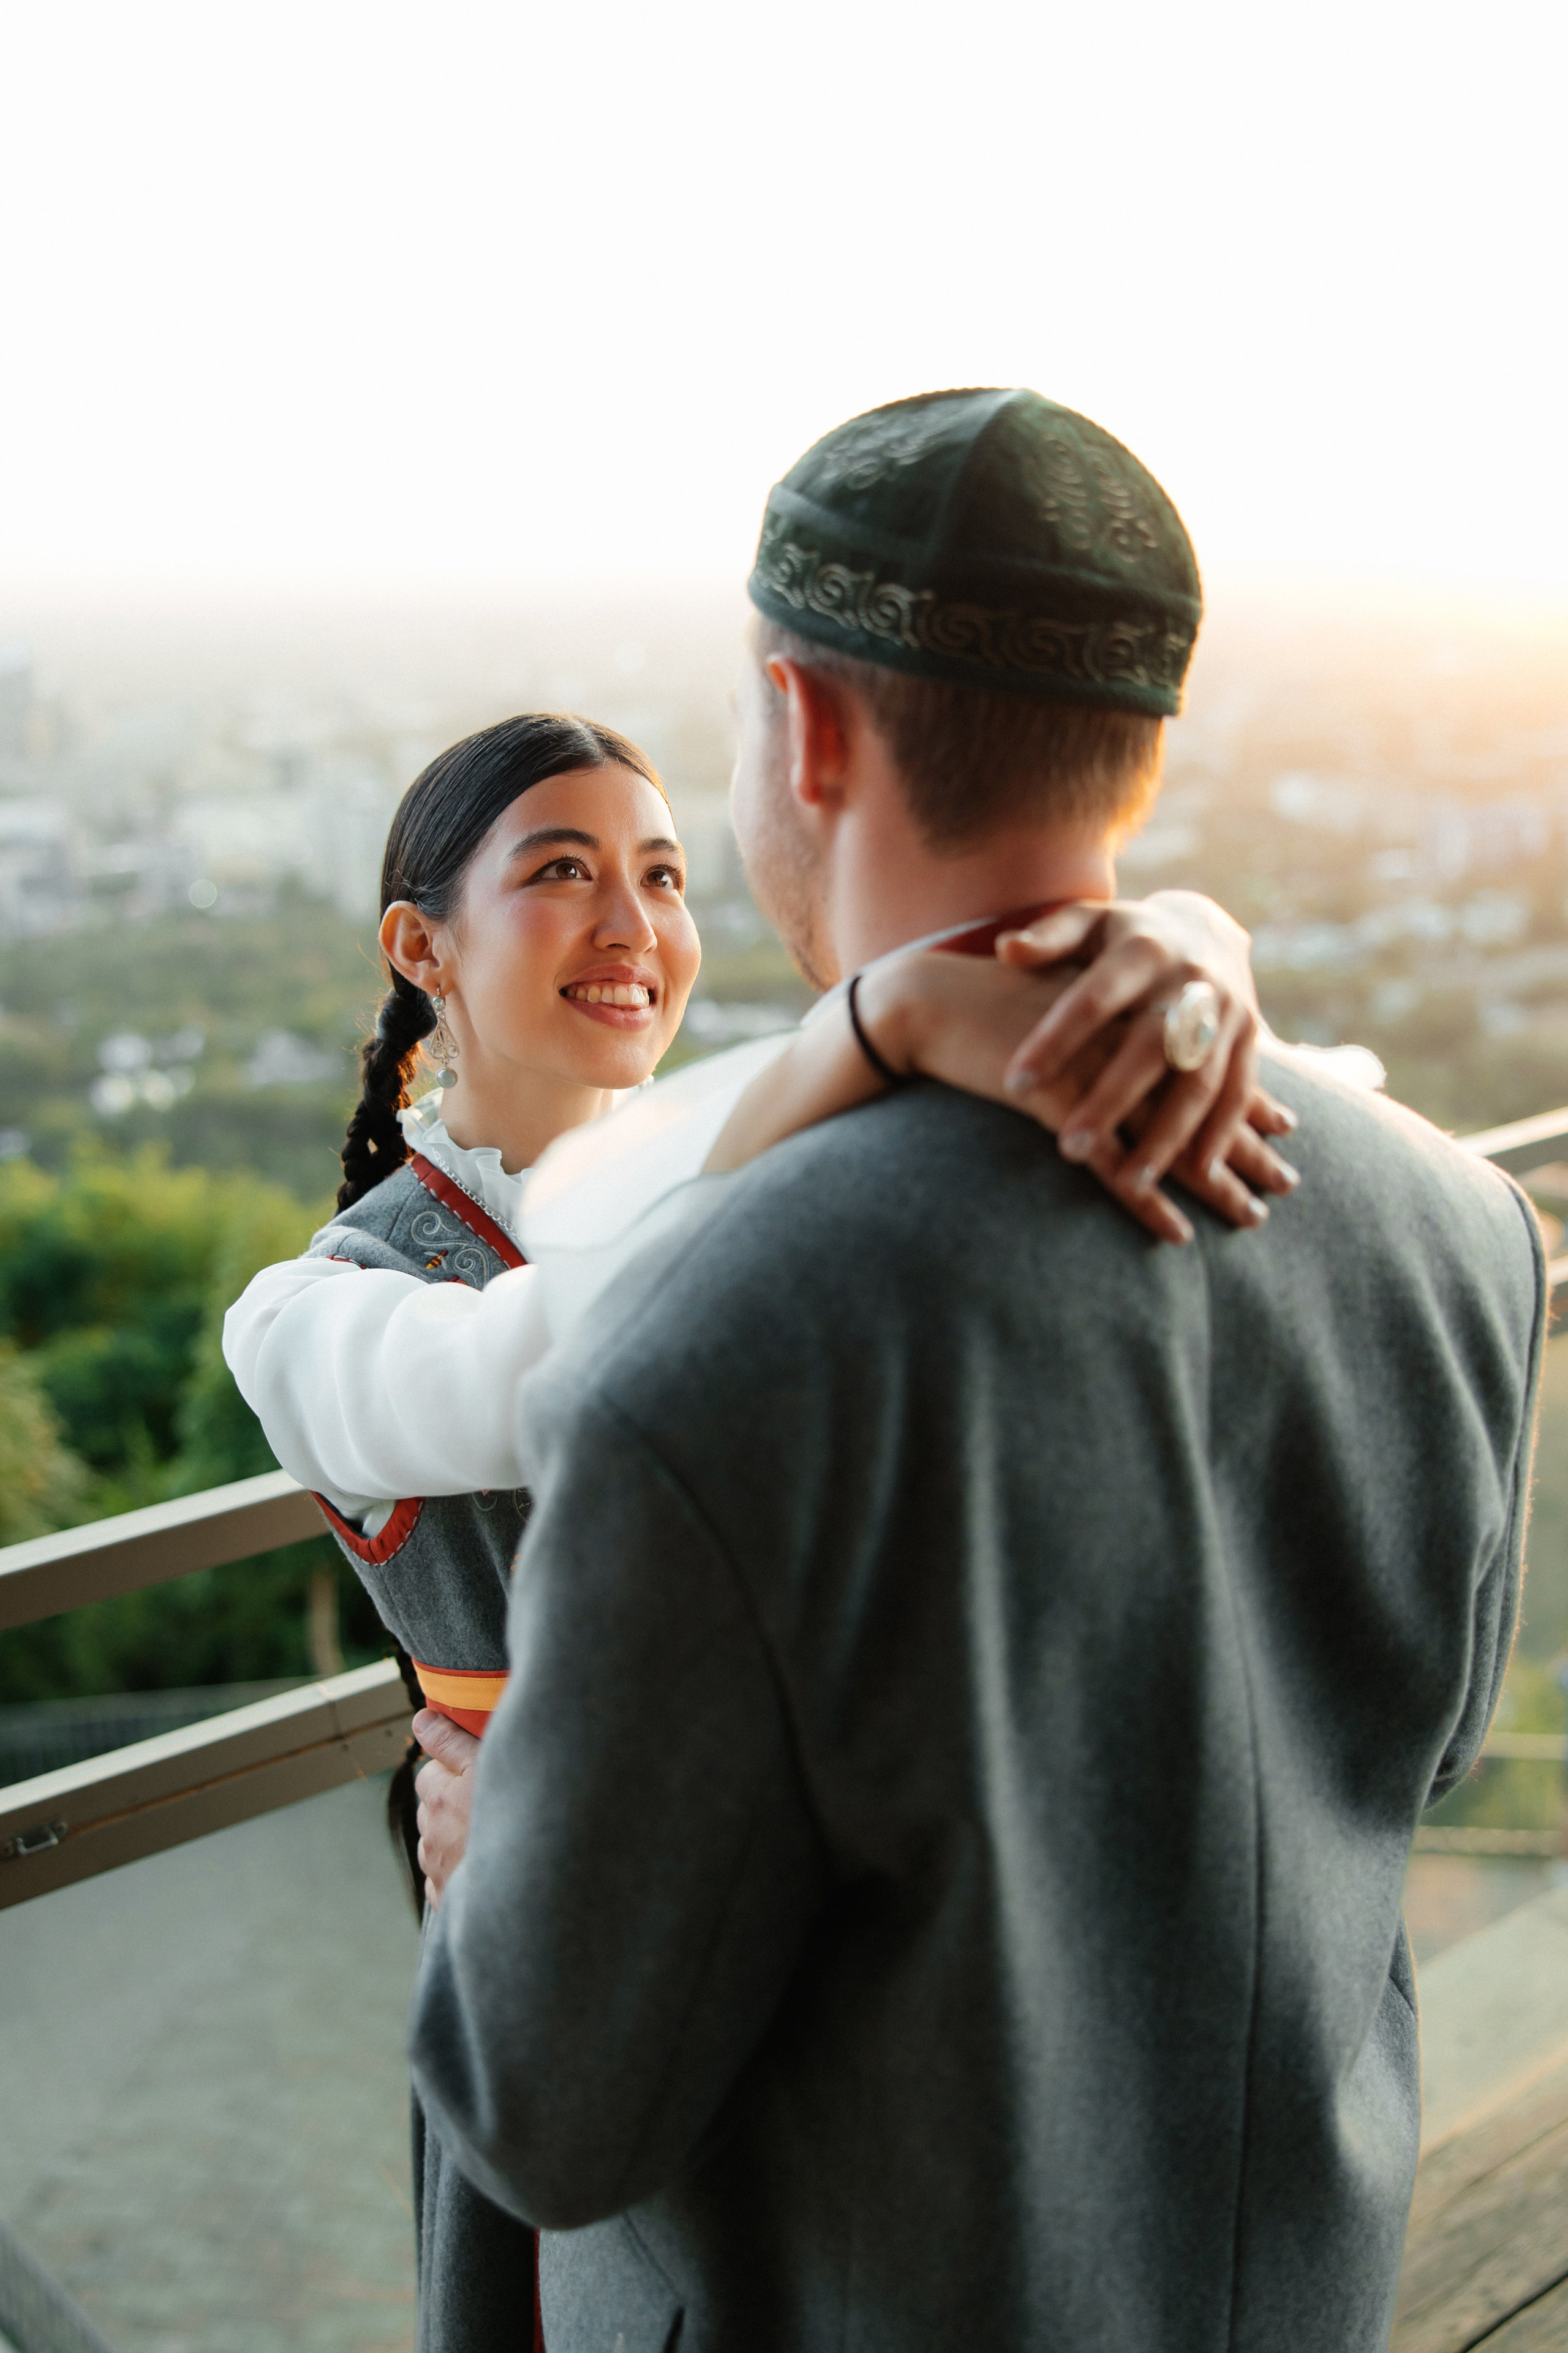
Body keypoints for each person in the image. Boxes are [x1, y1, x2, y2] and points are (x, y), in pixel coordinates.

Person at [403, 387, 1545, 2352]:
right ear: (1149, 743)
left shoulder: (703, 1351)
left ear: (809, 727)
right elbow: (1414, 1755)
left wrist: (495, 1848)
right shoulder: (1454, 1227)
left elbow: (547, 2111)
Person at [224, 702, 1292, 2352]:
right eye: (562, 871)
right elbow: (552, 1365)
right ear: (416, 944)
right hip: (566, 1937)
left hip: (846, 1903)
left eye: (661, 871)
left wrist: (1188, 946)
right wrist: (870, 1032)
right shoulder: (312, 1318)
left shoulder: (716, 1158)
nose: (632, 924)